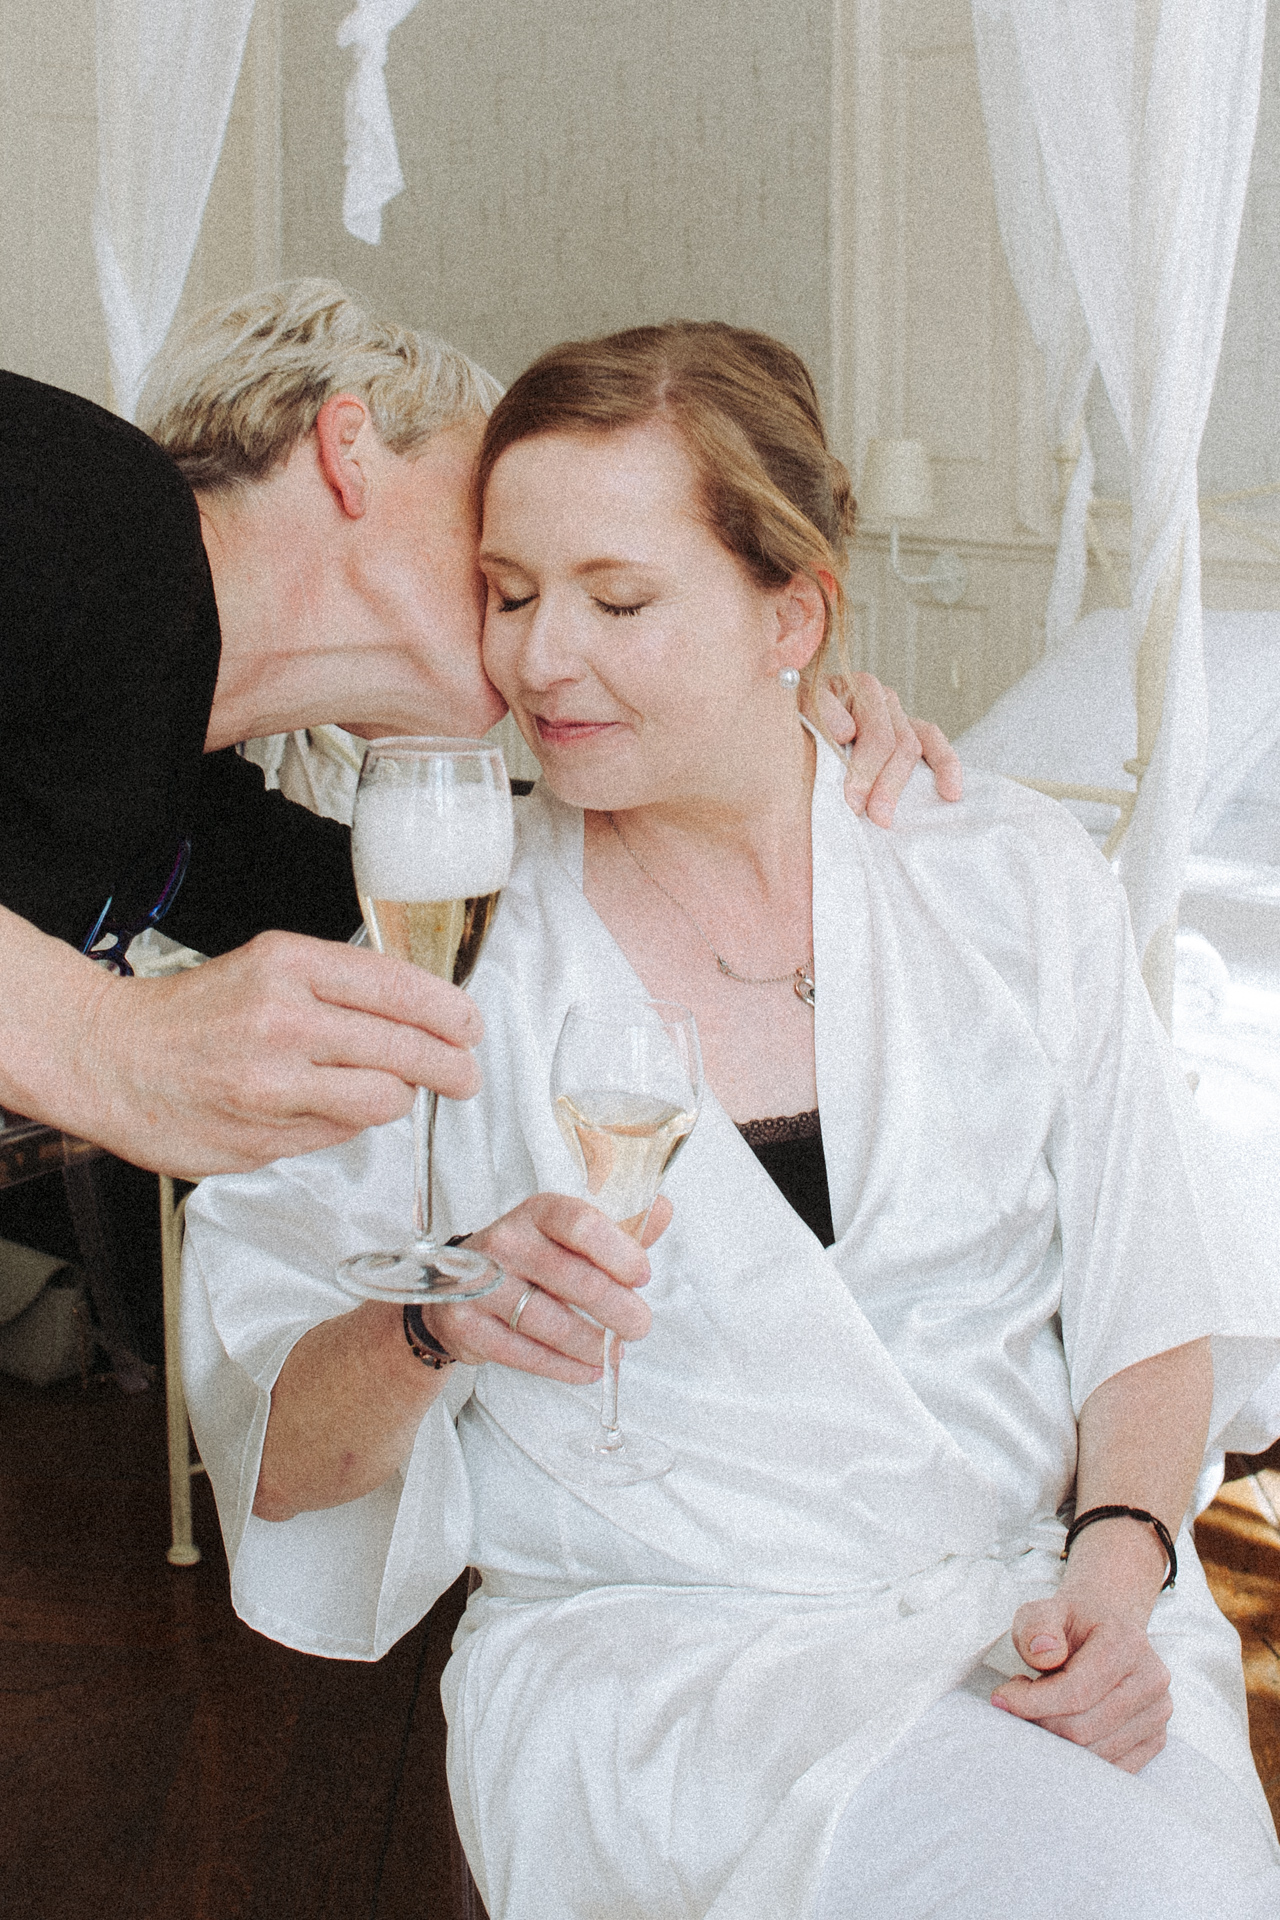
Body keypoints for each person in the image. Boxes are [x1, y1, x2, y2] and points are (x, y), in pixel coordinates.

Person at [180, 321, 1280, 1918]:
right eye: (509, 592)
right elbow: (277, 1461)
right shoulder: (449, 947)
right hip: (660, 1686)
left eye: (619, 600)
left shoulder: (1009, 881)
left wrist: (1121, 1572)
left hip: (1051, 1620)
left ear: (795, 612)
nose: (543, 660)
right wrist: (441, 1322)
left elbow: (1147, 1296)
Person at [0, 280, 955, 1184]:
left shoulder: (174, 798)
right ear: (350, 450)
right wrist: (95, 1035)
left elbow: (473, 928)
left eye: (612, 596)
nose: (533, 620)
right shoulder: (92, 500)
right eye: (506, 554)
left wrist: (769, 736)